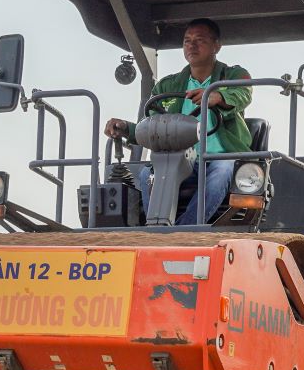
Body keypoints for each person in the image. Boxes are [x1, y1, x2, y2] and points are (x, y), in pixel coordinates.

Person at [104, 18, 252, 224]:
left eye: (199, 40)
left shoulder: (233, 75)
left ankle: (184, 230)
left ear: (216, 45)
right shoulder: (167, 86)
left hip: (219, 158)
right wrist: (127, 129)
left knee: (223, 169)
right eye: (187, 41)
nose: (191, 45)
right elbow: (154, 128)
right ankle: (157, 227)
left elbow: (243, 94)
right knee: (149, 172)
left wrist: (218, 97)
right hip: (178, 160)